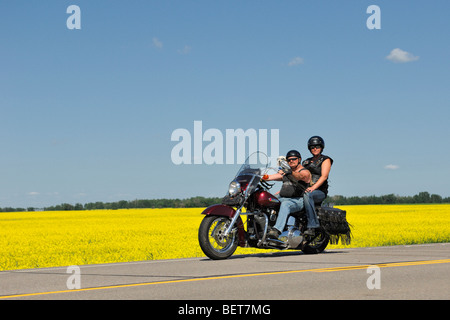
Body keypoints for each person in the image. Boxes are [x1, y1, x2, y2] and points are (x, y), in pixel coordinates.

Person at [263, 150, 311, 239]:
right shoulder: (286, 172)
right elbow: (270, 177)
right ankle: (263, 229)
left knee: (285, 205)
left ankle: (277, 230)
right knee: (266, 200)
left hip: (297, 200)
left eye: (294, 159)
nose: (291, 161)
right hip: (282, 198)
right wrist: (259, 175)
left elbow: (300, 176)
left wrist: (290, 172)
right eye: (288, 160)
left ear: (299, 159)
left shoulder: (304, 172)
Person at [302, 136, 333, 235]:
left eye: (317, 146)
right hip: (306, 189)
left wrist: (312, 188)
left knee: (308, 195)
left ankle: (312, 224)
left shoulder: (325, 159)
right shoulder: (306, 161)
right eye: (312, 147)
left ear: (321, 147)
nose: (315, 149)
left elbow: (324, 177)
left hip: (319, 191)